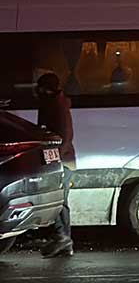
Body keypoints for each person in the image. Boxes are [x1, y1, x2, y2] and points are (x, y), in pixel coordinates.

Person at [36, 73, 76, 258]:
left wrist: (55, 160)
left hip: (61, 162)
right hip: (60, 160)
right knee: (59, 200)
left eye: (41, 88)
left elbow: (64, 138)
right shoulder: (52, 104)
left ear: (47, 89)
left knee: (59, 200)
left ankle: (62, 237)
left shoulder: (56, 107)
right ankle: (64, 241)